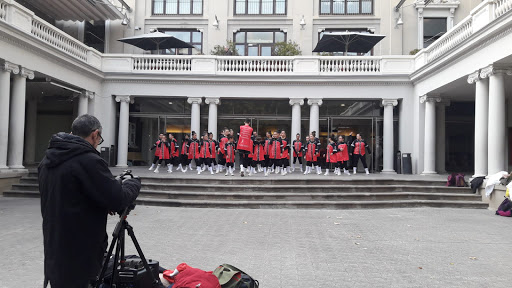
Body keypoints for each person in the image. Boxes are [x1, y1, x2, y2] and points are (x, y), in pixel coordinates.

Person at [39, 114, 140, 288]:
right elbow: (118, 200)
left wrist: (101, 200)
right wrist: (133, 183)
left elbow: (71, 195)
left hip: (55, 248)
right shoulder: (88, 160)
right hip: (81, 253)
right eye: (98, 138)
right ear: (95, 134)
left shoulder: (47, 160)